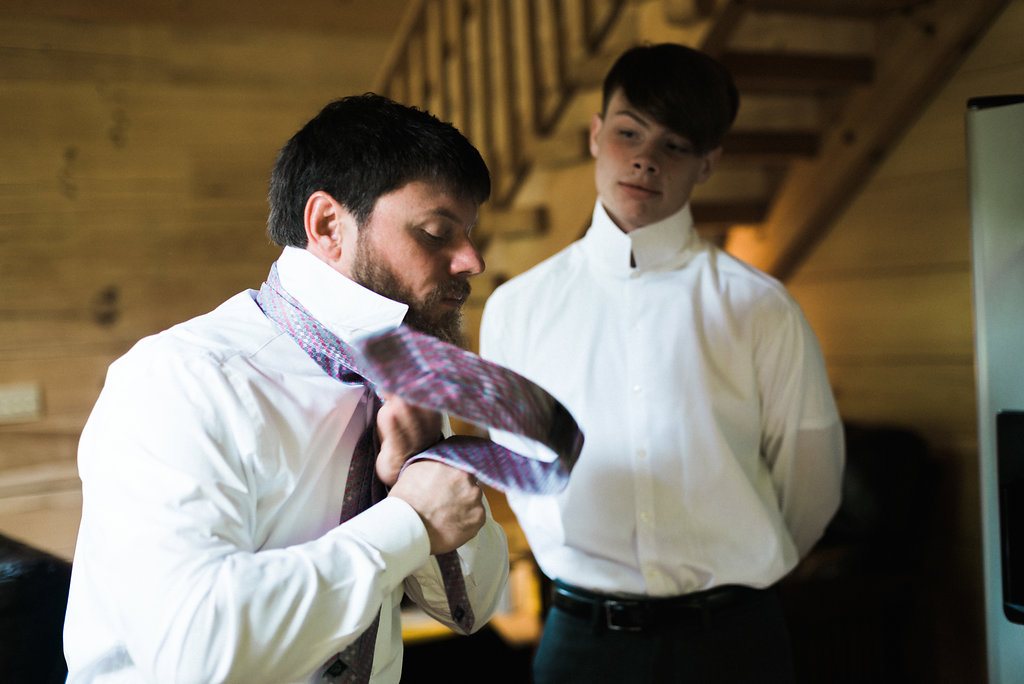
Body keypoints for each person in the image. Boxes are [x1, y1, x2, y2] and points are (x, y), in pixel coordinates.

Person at [64, 94, 510, 683]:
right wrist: (407, 524)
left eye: (470, 234)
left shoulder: (408, 378)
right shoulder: (180, 381)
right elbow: (196, 653)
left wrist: (429, 461)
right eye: (436, 232)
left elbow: (472, 609)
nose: (473, 261)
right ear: (328, 225)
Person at [480, 43, 845, 683]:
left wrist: (731, 565)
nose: (646, 158)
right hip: (582, 642)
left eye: (675, 146)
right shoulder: (517, 309)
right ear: (596, 135)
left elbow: (809, 486)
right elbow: (523, 474)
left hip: (733, 643)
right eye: (629, 133)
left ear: (709, 163)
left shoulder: (761, 309)